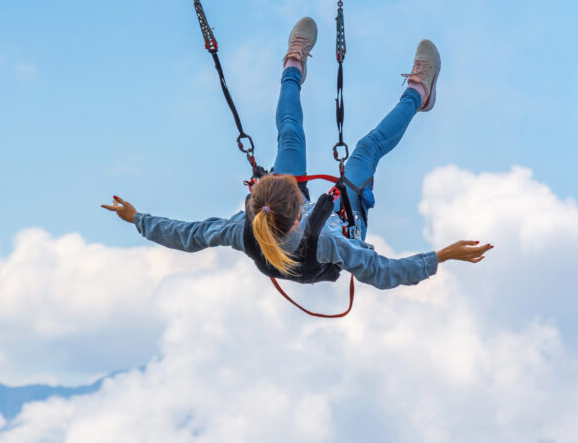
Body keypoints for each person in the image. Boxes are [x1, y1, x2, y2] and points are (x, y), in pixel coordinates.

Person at [102, 17, 492, 292]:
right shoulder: (331, 243)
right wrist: (440, 256)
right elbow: (383, 272)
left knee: (290, 135)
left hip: (291, 229)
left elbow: (189, 235)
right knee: (367, 148)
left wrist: (137, 218)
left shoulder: (241, 227)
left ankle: (293, 64)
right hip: (339, 226)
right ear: (298, 211)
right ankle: (418, 93)